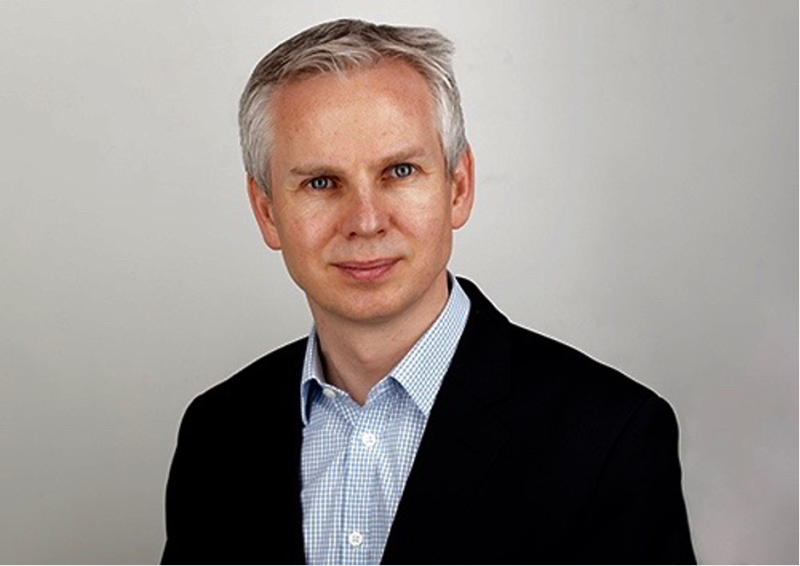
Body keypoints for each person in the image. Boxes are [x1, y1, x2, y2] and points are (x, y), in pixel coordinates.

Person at [162, 19, 696, 565]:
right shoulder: (216, 435)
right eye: (322, 182)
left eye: (399, 171)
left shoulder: (609, 437)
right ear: (268, 212)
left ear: (458, 187)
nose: (365, 222)